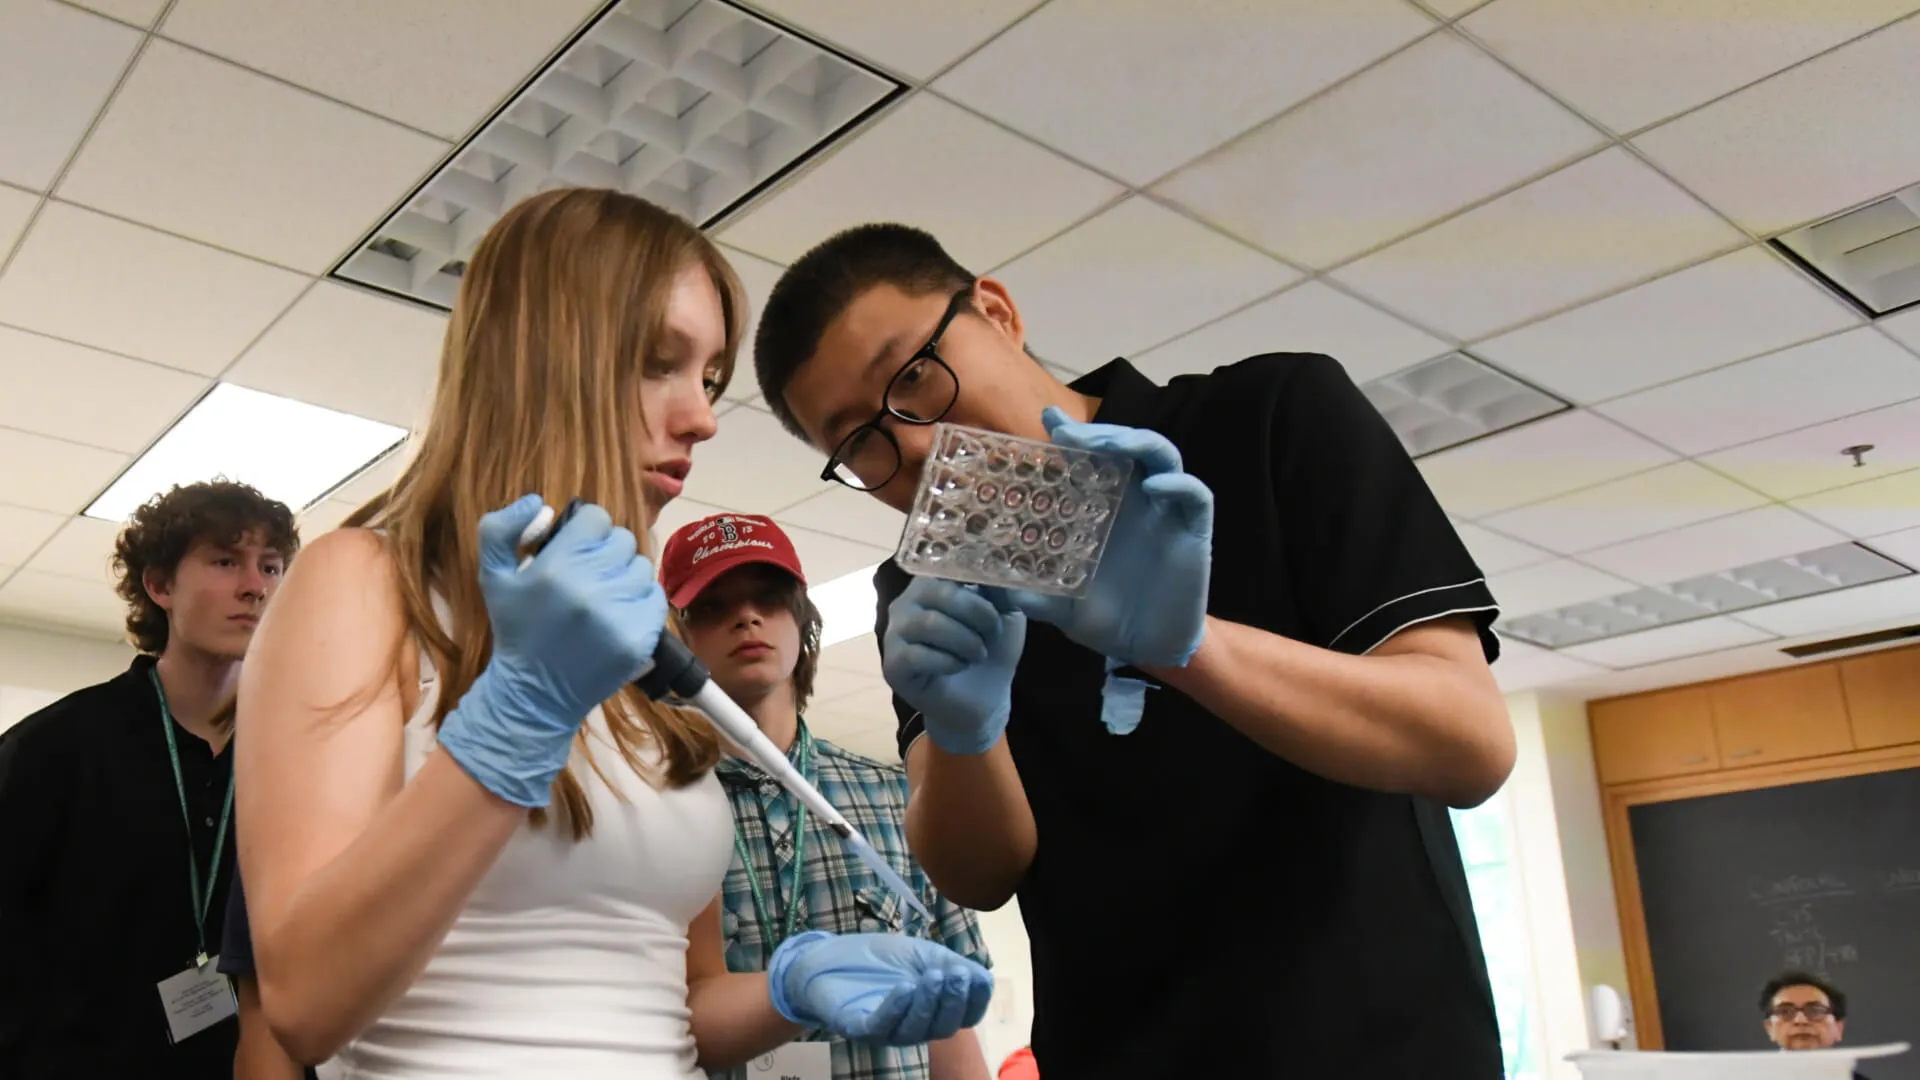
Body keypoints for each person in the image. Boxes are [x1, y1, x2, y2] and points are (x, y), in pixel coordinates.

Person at [229, 189, 990, 1079]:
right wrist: (520, 713)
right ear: (536, 361)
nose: (703, 418)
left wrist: (789, 991)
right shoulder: (360, 582)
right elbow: (303, 1003)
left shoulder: (643, 646)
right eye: (657, 363)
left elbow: (679, 1004)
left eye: (707, 377)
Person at [751, 223, 1519, 1078]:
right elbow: (978, 875)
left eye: (917, 377)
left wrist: (1189, 650)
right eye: (858, 442)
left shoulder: (1269, 416)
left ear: (998, 314)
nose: (918, 445)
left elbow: (1468, 744)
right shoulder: (918, 587)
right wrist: (967, 735)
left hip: (1375, 1049)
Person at [660, 512, 995, 1080]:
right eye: (714, 606)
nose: (747, 616)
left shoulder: (899, 798)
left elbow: (952, 1023)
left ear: (801, 617)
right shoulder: (656, 814)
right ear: (678, 636)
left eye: (768, 598)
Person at [0, 480, 297, 1078]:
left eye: (271, 566)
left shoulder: (299, 760)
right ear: (159, 586)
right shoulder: (55, 748)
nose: (255, 586)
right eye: (224, 560)